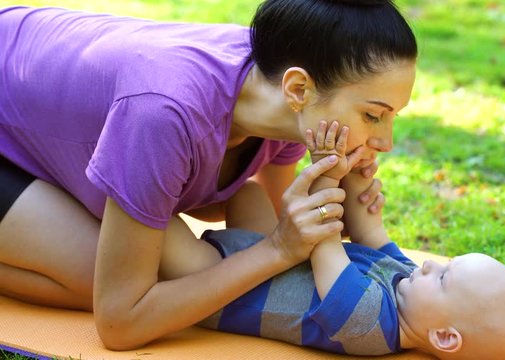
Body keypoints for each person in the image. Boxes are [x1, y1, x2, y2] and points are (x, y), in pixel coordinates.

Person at [0, 0, 417, 350]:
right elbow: (119, 323)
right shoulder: (165, 114)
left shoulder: (284, 103)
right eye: (373, 116)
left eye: (390, 118)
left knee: (145, 268)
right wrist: (276, 248)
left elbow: (273, 240)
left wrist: (342, 211)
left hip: (34, 110)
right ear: (298, 89)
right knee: (97, 277)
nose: (386, 141)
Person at [193, 125, 505, 359]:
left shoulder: (368, 324)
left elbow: (324, 239)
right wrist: (359, 172)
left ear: (444, 337)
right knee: (249, 192)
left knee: (164, 235)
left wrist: (327, 170)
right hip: (264, 254)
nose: (431, 264)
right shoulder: (407, 282)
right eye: (447, 262)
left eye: (443, 278)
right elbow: (370, 232)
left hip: (224, 288)